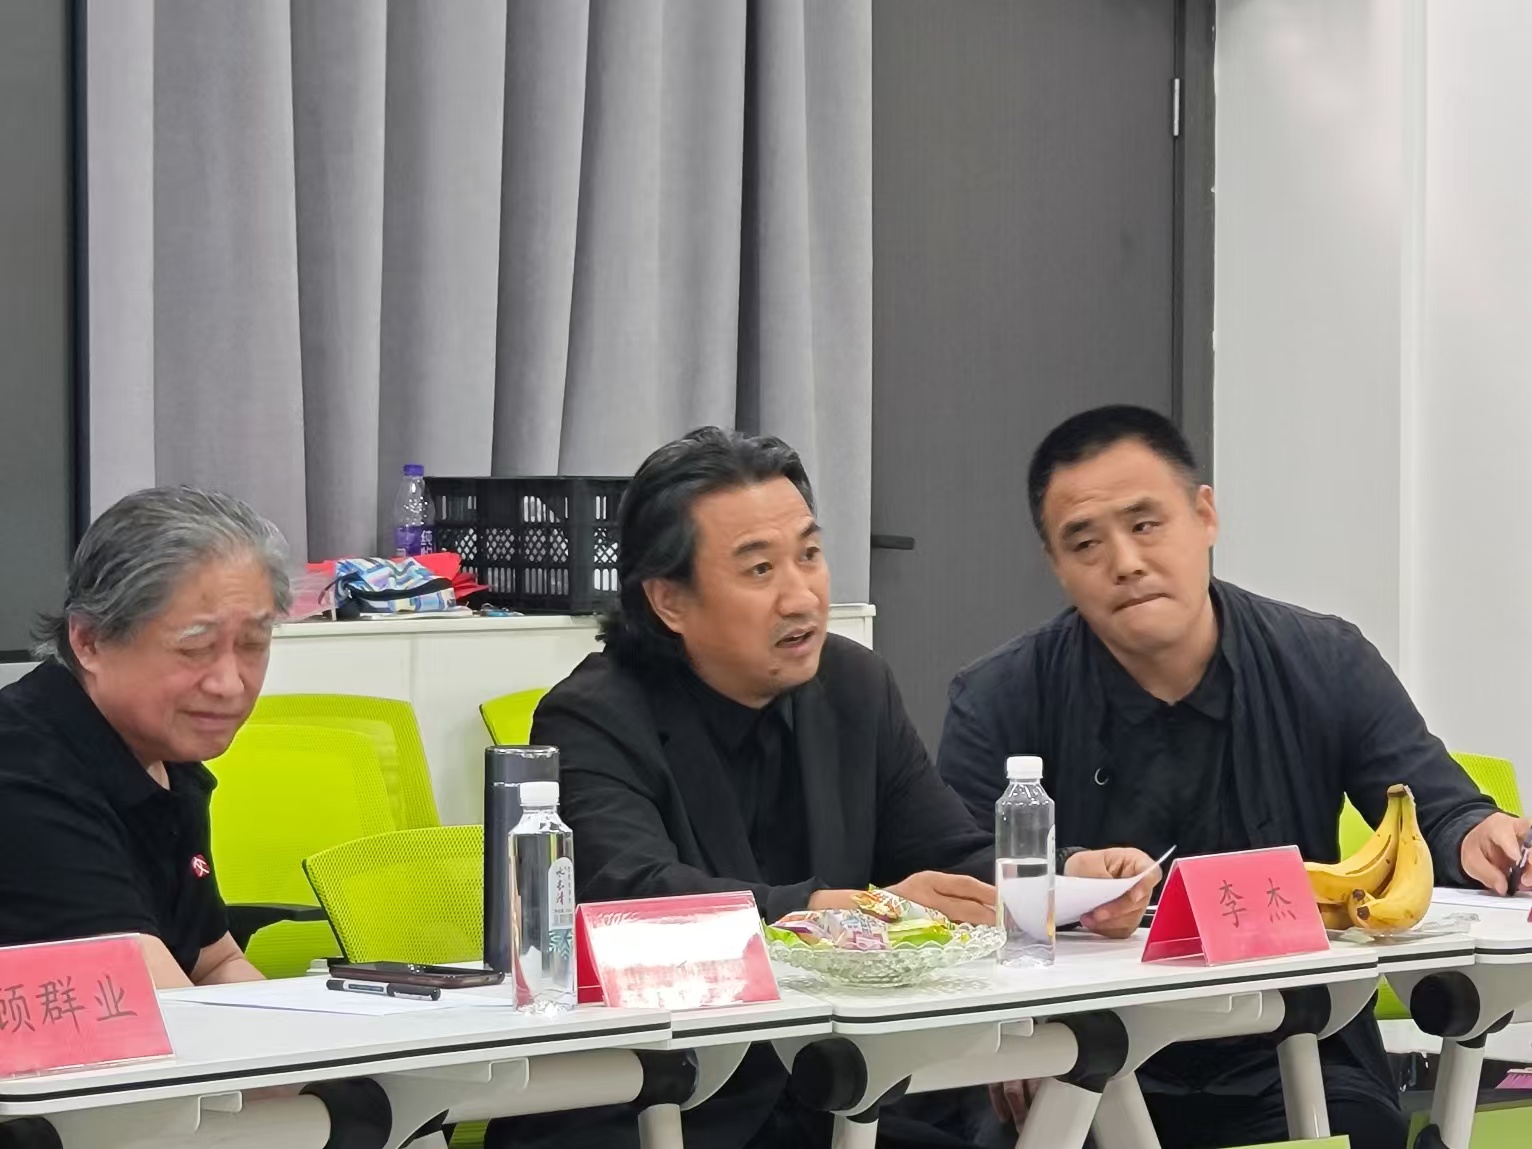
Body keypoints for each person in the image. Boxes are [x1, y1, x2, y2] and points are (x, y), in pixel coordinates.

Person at [499, 427, 1154, 1149]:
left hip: (830, 1100)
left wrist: (1068, 883)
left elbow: (945, 854)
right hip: (655, 1107)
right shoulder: (591, 718)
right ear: (669, 600)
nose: (801, 595)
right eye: (759, 569)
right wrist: (836, 914)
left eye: (809, 555)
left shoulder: (853, 686)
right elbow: (635, 905)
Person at [937, 405, 1526, 1149]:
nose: (1125, 561)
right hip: (1076, 1048)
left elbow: (1432, 807)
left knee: (1360, 1130)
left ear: (1205, 515)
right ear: (1056, 564)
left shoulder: (1324, 661)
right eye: (1085, 542)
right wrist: (1051, 916)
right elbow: (952, 881)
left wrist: (1477, 834)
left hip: (1291, 1042)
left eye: (1146, 524)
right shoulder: (999, 697)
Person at [0, 486, 291, 989]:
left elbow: (215, 960)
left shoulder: (166, 759)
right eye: (195, 648)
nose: (230, 684)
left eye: (252, 644)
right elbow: (157, 1006)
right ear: (89, 640)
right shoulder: (22, 774)